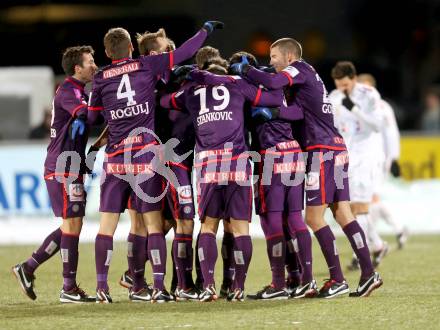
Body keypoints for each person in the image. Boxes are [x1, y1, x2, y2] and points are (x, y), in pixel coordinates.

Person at [232, 39, 382, 298]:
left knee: (313, 218)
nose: (271, 62)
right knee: (344, 213)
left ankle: (337, 278)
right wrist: (276, 112)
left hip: (320, 152)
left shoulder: (298, 68)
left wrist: (246, 71)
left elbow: (272, 82)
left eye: (274, 56)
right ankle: (369, 274)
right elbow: (298, 113)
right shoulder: (309, 78)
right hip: (337, 147)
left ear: (289, 56)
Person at [87, 21, 224, 303]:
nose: (170, 50)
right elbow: (187, 50)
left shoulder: (101, 77)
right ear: (133, 49)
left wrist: (109, 123)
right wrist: (205, 31)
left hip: (115, 158)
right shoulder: (147, 67)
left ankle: (103, 288)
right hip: (146, 154)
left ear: (106, 50)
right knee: (151, 223)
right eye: (166, 48)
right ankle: (159, 287)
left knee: (109, 226)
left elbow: (92, 116)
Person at [160, 59, 284, 302]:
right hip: (237, 161)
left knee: (208, 226)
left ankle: (208, 286)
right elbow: (272, 100)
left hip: (208, 164)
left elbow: (165, 101)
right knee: (240, 229)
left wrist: (179, 80)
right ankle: (237, 287)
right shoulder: (236, 83)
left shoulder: (191, 91)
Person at [12, 45, 97, 303]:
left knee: (73, 223)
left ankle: (27, 268)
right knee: (72, 224)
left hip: (70, 165)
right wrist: (104, 97)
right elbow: (85, 115)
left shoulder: (77, 90)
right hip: (62, 167)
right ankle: (68, 288)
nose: (95, 65)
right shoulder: (69, 90)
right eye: (90, 61)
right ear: (77, 68)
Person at [330, 63, 389, 271]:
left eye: (345, 84)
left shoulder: (369, 94)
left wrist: (354, 109)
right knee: (350, 207)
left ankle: (359, 254)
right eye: (339, 85)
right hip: (345, 155)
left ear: (353, 78)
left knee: (360, 206)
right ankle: (377, 245)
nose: (342, 89)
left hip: (366, 155)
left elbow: (377, 126)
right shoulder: (334, 97)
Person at [357, 73, 407, 251]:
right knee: (369, 199)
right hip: (365, 159)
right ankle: (397, 229)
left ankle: (374, 239)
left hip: (378, 158)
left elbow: (391, 133)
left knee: (370, 199)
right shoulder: (360, 106)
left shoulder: (382, 107)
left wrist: (393, 158)